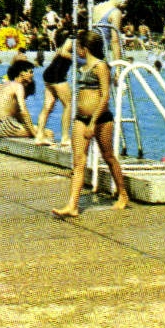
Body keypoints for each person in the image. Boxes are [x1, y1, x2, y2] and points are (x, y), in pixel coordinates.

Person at [51, 31, 131, 219]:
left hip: (100, 118)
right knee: (79, 161)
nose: (76, 50)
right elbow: (62, 52)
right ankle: (72, 205)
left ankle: (123, 193)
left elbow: (105, 96)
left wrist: (93, 122)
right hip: (80, 118)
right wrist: (72, 38)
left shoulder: (101, 66)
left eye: (78, 46)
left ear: (84, 48)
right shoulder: (82, 65)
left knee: (108, 156)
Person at [35, 35, 75, 147]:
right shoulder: (72, 39)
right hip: (58, 75)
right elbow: (62, 52)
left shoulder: (69, 40)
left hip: (49, 73)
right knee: (68, 105)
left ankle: (39, 136)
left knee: (48, 105)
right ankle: (65, 138)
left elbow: (58, 53)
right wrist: (78, 58)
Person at [0, 60, 44, 140]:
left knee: (38, 130)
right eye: (30, 72)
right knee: (47, 133)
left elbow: (17, 112)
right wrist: (35, 135)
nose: (32, 75)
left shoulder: (7, 84)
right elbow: (23, 111)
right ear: (21, 73)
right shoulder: (18, 86)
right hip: (6, 125)